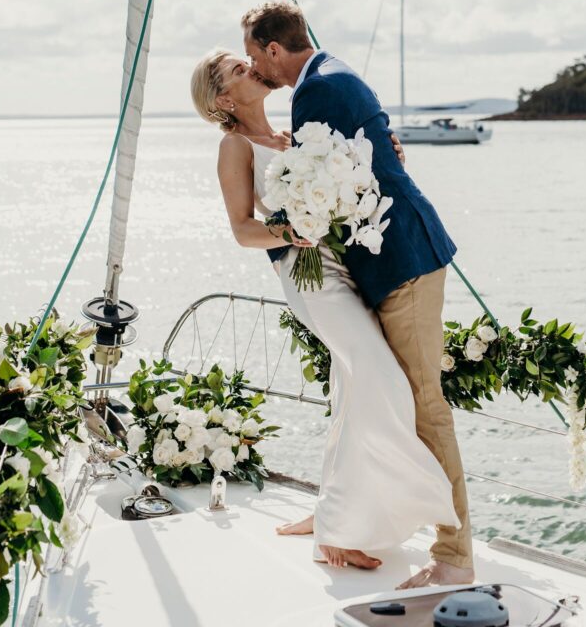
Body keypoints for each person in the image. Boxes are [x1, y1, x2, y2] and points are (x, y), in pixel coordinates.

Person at [191, 47, 461, 572]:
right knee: (378, 376)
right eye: (237, 69)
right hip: (305, 274)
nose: (252, 68)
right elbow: (242, 229)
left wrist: (385, 158)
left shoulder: (293, 138)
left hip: (342, 264)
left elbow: (348, 186)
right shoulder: (234, 146)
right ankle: (340, 532)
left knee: (349, 384)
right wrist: (289, 229)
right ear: (223, 97)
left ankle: (330, 510)